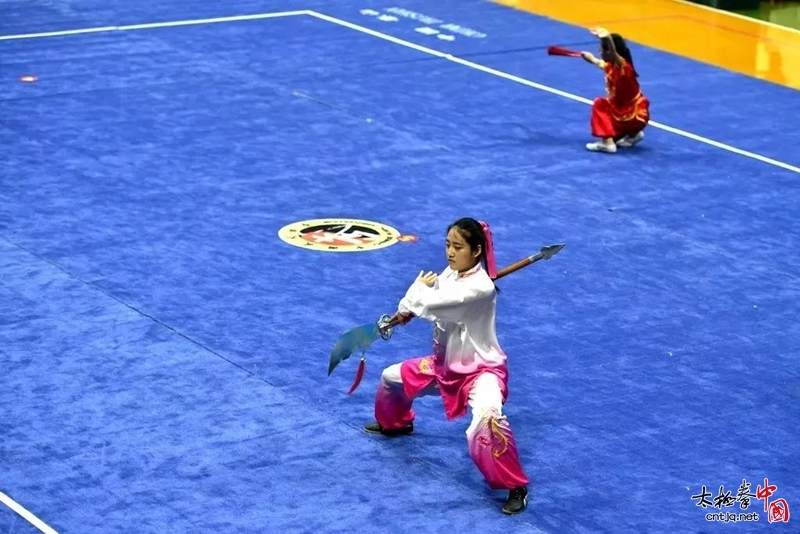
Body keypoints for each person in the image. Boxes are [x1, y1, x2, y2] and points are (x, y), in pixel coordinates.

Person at [363, 217, 530, 515]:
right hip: (445, 367)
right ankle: (397, 424)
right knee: (391, 377)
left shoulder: (480, 288)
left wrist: (415, 291)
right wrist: (405, 311)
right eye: (448, 245)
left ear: (476, 251)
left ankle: (515, 486)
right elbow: (429, 302)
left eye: (458, 247)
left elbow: (429, 304)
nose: (450, 253)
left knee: (487, 422)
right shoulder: (452, 273)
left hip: (480, 371)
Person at [581, 27, 650, 153]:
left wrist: (607, 38)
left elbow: (613, 53)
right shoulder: (615, 66)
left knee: (600, 104)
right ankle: (633, 134)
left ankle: (607, 143)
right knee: (615, 128)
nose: (599, 51)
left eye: (601, 49)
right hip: (639, 117)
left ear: (609, 51)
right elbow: (600, 63)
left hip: (628, 116)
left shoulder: (623, 67)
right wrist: (591, 58)